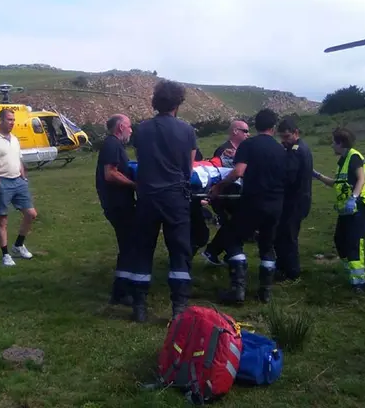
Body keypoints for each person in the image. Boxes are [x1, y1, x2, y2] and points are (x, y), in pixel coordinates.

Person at [126, 79, 198, 322]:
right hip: (175, 197)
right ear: (178, 103)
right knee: (179, 250)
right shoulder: (187, 131)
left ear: (156, 102)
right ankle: (179, 306)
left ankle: (139, 306)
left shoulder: (142, 129)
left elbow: (141, 160)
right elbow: (188, 169)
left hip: (147, 197)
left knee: (143, 248)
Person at [208, 108, 288, 304]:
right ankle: (265, 291)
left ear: (255, 125)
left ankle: (238, 289)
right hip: (276, 203)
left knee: (232, 238)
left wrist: (219, 186)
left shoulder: (249, 145)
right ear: (273, 127)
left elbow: (238, 172)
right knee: (267, 245)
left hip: (254, 201)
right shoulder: (280, 149)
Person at [312, 127, 365, 293]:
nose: (332, 145)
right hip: (346, 210)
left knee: (354, 242)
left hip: (359, 206)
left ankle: (359, 283)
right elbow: (337, 183)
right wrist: (318, 176)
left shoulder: (354, 157)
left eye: (334, 142)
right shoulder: (343, 161)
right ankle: (351, 272)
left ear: (341, 143)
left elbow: (361, 179)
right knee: (340, 240)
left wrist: (353, 198)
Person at [0, 108, 38, 267]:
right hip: (3, 182)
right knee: (3, 219)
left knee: (31, 214)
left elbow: (18, 159)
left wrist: (23, 176)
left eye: (13, 120)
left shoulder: (14, 139)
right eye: (9, 119)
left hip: (19, 181)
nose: (12, 122)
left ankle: (18, 245)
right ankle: (6, 255)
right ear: (0, 121)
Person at [95, 113, 136, 306]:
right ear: (120, 127)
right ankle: (121, 291)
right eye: (129, 126)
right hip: (117, 204)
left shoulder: (115, 145)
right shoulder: (112, 144)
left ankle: (125, 286)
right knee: (129, 244)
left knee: (129, 243)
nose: (131, 130)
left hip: (119, 202)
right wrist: (134, 185)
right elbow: (110, 174)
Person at [201, 119, 250, 265]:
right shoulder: (223, 150)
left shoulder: (241, 150)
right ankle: (222, 253)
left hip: (235, 194)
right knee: (233, 224)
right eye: (245, 131)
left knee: (234, 224)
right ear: (235, 131)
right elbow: (218, 173)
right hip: (224, 196)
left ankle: (219, 253)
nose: (248, 134)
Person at [274, 114, 313, 282]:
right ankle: (286, 267)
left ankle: (291, 271)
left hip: (294, 201)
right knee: (286, 234)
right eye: (282, 137)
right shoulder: (302, 148)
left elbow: (289, 177)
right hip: (300, 199)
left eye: (287, 137)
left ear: (295, 132)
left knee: (288, 236)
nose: (284, 141)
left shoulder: (296, 151)